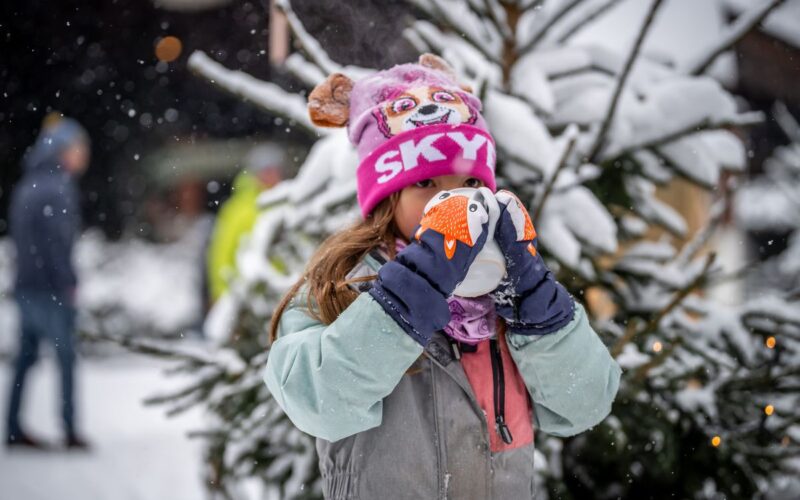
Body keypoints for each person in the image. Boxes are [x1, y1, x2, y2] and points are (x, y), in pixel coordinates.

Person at [264, 54, 621, 498]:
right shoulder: (341, 286)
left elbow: (584, 403)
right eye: (426, 184)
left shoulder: (506, 294)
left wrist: (537, 303)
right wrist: (409, 294)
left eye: (469, 184)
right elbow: (318, 401)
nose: (453, 199)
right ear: (385, 198)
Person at [5, 114, 90, 450]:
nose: (83, 157)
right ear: (64, 150)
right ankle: (69, 430)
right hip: (51, 290)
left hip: (25, 286)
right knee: (66, 359)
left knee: (24, 360)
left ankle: (12, 427)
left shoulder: (27, 185)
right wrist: (67, 283)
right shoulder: (58, 188)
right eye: (80, 149)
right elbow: (57, 243)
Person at [206, 144, 286, 304]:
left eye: (276, 171)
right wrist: (220, 292)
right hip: (245, 297)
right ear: (255, 174)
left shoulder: (285, 203)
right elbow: (221, 252)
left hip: (283, 291)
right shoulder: (238, 208)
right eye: (268, 171)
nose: (273, 176)